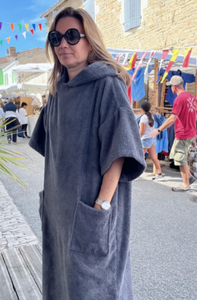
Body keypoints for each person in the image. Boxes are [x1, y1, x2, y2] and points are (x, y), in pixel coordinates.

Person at [29, 7, 145, 300]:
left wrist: (101, 207)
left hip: (92, 210)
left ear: (89, 40)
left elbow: (120, 152)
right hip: (60, 211)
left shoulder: (108, 85)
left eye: (71, 36)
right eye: (56, 38)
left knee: (96, 287)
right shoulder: (56, 93)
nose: (63, 44)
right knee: (62, 283)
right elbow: (51, 146)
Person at [150, 75, 197, 192]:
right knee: (177, 155)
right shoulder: (192, 98)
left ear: (174, 87)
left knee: (180, 159)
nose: (171, 88)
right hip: (191, 132)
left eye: (171, 86)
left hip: (183, 133)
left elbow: (172, 118)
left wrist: (159, 129)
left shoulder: (179, 99)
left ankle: (186, 185)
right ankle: (189, 177)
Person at [139, 101, 164, 180]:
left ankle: (136, 174)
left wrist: (137, 138)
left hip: (145, 139)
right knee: (154, 158)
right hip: (152, 139)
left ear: (142, 109)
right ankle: (159, 173)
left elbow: (141, 131)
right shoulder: (151, 116)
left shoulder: (143, 117)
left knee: (139, 157)